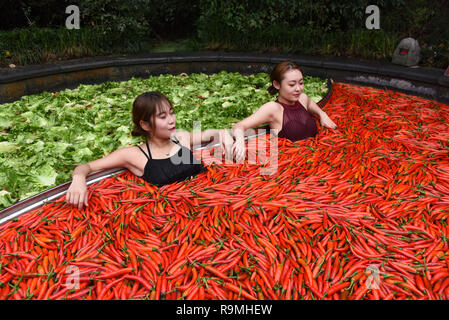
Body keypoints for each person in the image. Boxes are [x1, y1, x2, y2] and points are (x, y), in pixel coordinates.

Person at [66, 91, 234, 210]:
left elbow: (213, 134)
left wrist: (224, 134)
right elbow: (85, 167)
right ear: (145, 125)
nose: (171, 121)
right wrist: (79, 179)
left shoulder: (181, 138)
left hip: (215, 201)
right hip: (178, 216)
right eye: (162, 117)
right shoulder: (133, 155)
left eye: (171, 113)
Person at [231, 61, 337, 162]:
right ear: (277, 84)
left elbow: (311, 104)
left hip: (318, 157)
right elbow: (239, 126)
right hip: (294, 165)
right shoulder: (273, 108)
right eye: (292, 85)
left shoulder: (302, 99)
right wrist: (240, 141)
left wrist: (322, 114)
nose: (298, 89)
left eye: (301, 83)